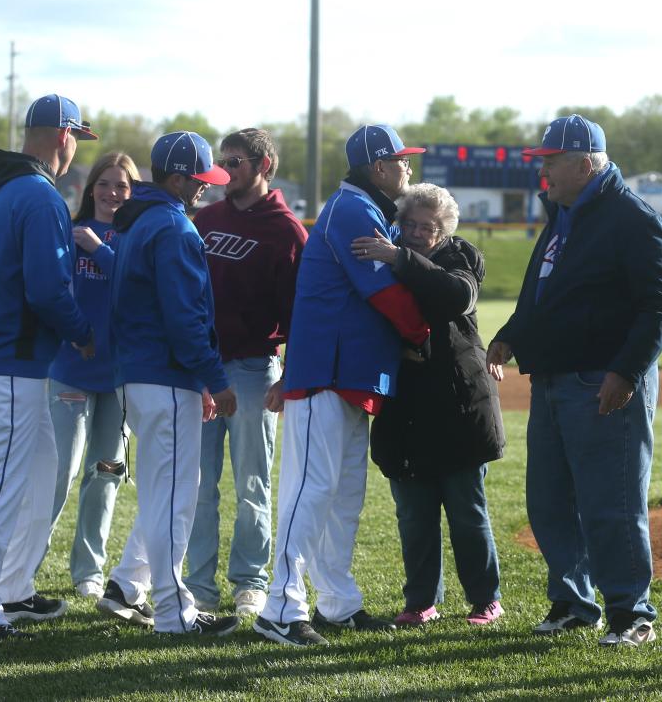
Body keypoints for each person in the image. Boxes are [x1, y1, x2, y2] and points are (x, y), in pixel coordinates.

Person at [486, 115, 662, 647]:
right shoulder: (565, 214)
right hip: (554, 377)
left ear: (586, 163)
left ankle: (630, 613)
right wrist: (511, 333)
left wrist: (626, 371)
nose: (543, 170)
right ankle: (574, 603)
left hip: (603, 380)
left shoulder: (629, 217)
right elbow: (544, 292)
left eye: (550, 161)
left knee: (611, 501)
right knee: (548, 500)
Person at [253, 125, 429, 647]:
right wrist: (422, 331)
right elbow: (385, 291)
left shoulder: (368, 208)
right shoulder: (353, 209)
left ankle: (336, 601)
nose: (408, 168)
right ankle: (280, 609)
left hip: (349, 375)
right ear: (378, 167)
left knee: (343, 495)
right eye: (401, 160)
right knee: (311, 491)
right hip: (325, 374)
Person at [0, 94, 97, 640]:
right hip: (9, 358)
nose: (74, 152)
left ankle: (11, 588)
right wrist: (83, 333)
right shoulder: (39, 196)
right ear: (62, 135)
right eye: (75, 139)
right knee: (0, 483)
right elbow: (48, 289)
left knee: (41, 465)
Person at [96, 131, 240, 636]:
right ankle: (175, 614)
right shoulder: (174, 227)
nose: (206, 189)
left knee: (165, 495)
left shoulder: (137, 223)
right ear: (176, 178)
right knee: (174, 499)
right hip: (163, 374)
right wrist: (215, 380)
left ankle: (131, 587)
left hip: (140, 375)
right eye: (200, 180)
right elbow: (185, 319)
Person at [351, 183, 506, 628]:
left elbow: (457, 296)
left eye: (429, 227)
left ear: (444, 231)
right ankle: (421, 601)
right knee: (414, 515)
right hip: (406, 409)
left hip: (460, 407)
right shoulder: (387, 256)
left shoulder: (459, 256)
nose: (418, 233)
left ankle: (484, 600)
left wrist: (397, 257)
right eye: (411, 224)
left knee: (466, 511)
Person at [184, 129, 307, 618]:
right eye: (223, 160)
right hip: (202, 368)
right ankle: (198, 585)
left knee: (252, 482)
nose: (224, 170)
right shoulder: (204, 219)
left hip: (256, 368)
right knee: (198, 482)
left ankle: (250, 581)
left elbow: (301, 313)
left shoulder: (286, 230)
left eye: (235, 161)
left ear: (264, 164)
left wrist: (287, 375)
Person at [39, 152, 140, 600]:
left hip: (118, 378)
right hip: (71, 374)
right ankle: (23, 565)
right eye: (104, 184)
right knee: (58, 472)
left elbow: (139, 287)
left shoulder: (136, 239)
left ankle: (89, 572)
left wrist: (101, 250)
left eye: (122, 186)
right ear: (89, 188)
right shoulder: (69, 232)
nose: (112, 193)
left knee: (105, 475)